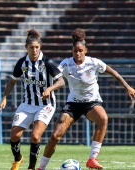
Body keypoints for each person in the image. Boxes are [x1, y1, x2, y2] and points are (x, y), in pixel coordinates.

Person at [37, 28, 135, 170]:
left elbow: (113, 72)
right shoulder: (66, 63)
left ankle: (92, 159)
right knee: (55, 135)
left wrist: (127, 86)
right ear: (72, 51)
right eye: (75, 51)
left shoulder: (94, 63)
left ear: (85, 50)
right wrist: (46, 86)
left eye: (80, 51)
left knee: (103, 118)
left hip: (91, 103)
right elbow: (55, 77)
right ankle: (41, 167)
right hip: (73, 104)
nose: (77, 54)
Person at [0, 29, 65, 170]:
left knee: (35, 136)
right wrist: (4, 98)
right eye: (31, 47)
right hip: (27, 104)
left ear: (40, 47)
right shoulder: (22, 63)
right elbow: (12, 82)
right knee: (14, 136)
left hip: (45, 105)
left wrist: (49, 89)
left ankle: (31, 167)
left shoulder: (47, 62)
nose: (34, 50)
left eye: (37, 47)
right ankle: (18, 159)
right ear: (26, 47)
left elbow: (61, 81)